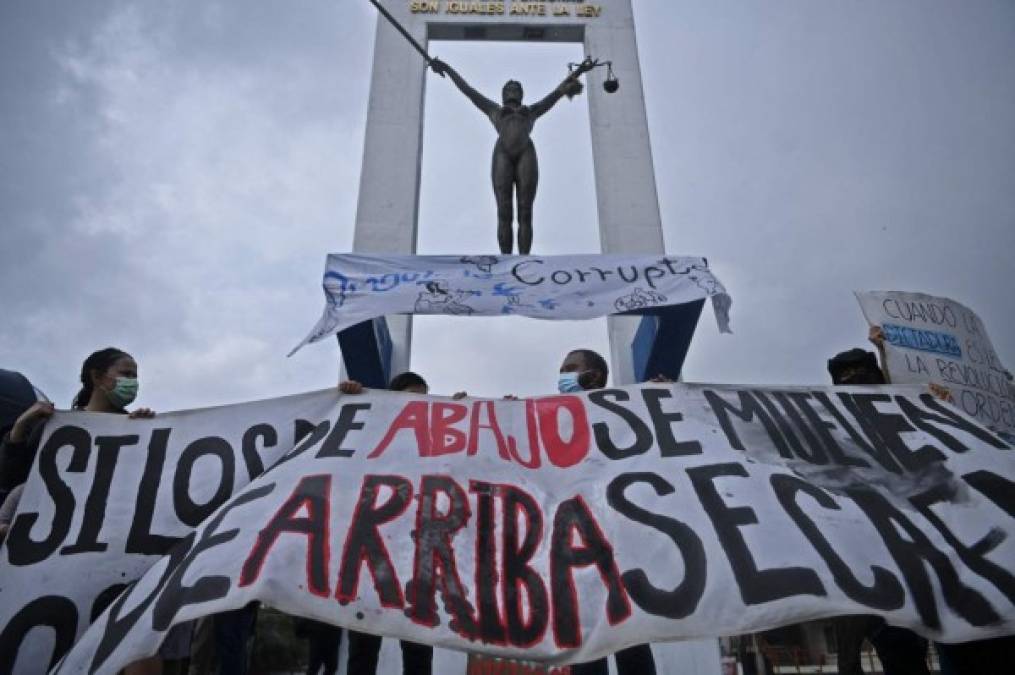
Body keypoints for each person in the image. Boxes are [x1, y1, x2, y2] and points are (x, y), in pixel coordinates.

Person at [826, 346, 932, 675]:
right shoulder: (831, 424)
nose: (853, 380)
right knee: (850, 659)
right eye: (844, 376)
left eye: (861, 373)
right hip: (858, 553)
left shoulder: (908, 415)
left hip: (908, 557)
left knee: (904, 654)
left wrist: (888, 350)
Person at [337, 371, 450, 675]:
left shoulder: (433, 439)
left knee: (417, 649)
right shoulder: (373, 431)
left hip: (415, 558)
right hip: (372, 556)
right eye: (414, 397)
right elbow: (342, 443)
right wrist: (347, 398)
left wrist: (465, 414)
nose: (420, 406)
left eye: (425, 399)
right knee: (363, 648)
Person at [429, 56, 596, 255]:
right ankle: (506, 258)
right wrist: (446, 67)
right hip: (503, 154)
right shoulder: (495, 110)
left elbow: (557, 93)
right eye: (508, 89)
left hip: (526, 152)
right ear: (502, 95)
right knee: (504, 210)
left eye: (516, 89)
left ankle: (523, 257)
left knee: (525, 210)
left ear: (522, 94)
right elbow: (468, 90)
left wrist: (579, 72)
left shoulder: (531, 110)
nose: (512, 91)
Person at [557, 348, 658, 675]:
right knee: (587, 642)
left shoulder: (629, 412)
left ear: (595, 376)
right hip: (578, 550)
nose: (564, 376)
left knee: (630, 639)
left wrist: (666, 400)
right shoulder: (554, 415)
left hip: (623, 544)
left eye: (571, 368)